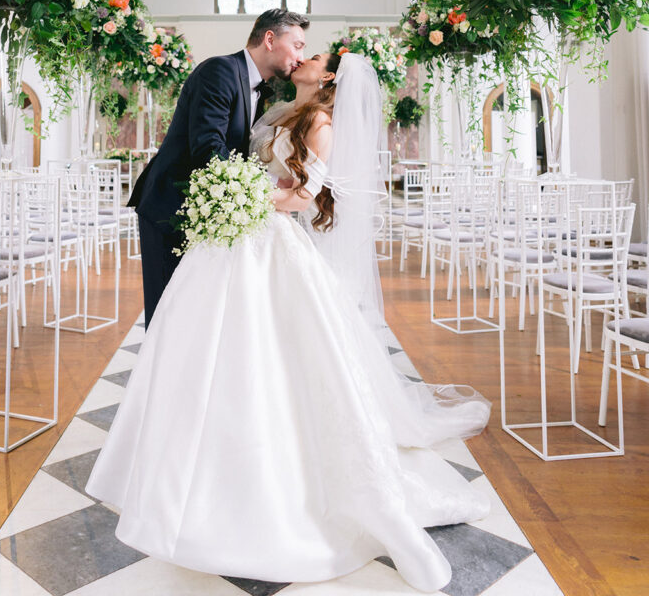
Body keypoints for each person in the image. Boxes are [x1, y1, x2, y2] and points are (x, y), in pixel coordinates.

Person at [88, 51, 490, 592]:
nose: (303, 55)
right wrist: (237, 195)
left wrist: (247, 197)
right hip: (232, 238)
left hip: (267, 239)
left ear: (327, 77)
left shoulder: (321, 122)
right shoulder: (279, 109)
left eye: (315, 55)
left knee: (274, 358)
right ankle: (189, 466)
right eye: (300, 47)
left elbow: (303, 198)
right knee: (205, 347)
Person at [127, 8, 308, 326]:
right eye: (297, 45)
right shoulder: (220, 71)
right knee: (167, 317)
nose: (301, 57)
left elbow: (236, 151)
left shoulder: (257, 88)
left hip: (207, 210)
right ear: (269, 39)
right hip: (171, 207)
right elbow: (209, 150)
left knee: (196, 316)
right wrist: (261, 190)